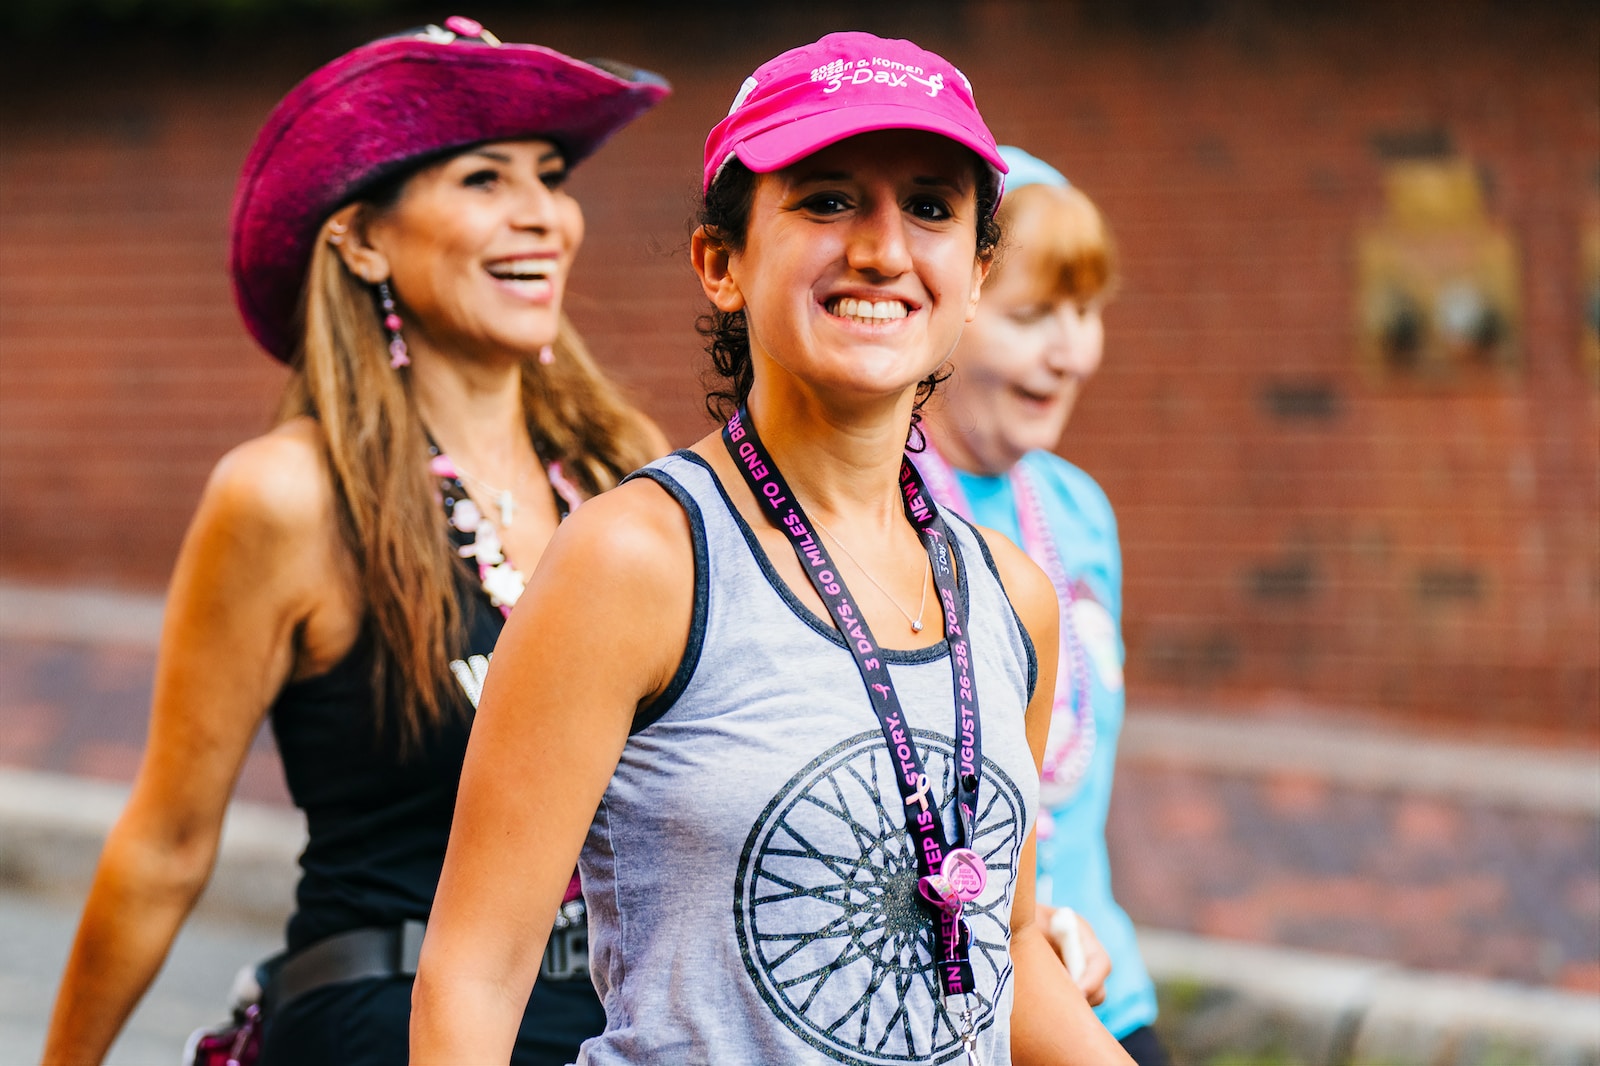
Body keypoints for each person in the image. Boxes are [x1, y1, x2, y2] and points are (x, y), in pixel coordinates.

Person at [412, 31, 1135, 1065]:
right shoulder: (637, 560)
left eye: (930, 208)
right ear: (722, 262)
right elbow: (475, 971)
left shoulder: (1010, 594)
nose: (883, 249)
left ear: (974, 277)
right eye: (828, 199)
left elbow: (1004, 950)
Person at [42, 19, 668, 1066]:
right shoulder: (287, 495)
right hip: (384, 1019)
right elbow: (166, 844)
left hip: (620, 1022)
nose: (543, 217)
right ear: (363, 238)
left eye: (550, 176)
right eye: (482, 179)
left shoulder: (621, 469)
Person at [914, 146, 1169, 1063]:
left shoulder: (1077, 510)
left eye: (1086, 311)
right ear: (953, 307)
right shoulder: (868, 506)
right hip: (951, 1009)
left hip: (1106, 990)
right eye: (1032, 316)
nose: (1071, 351)